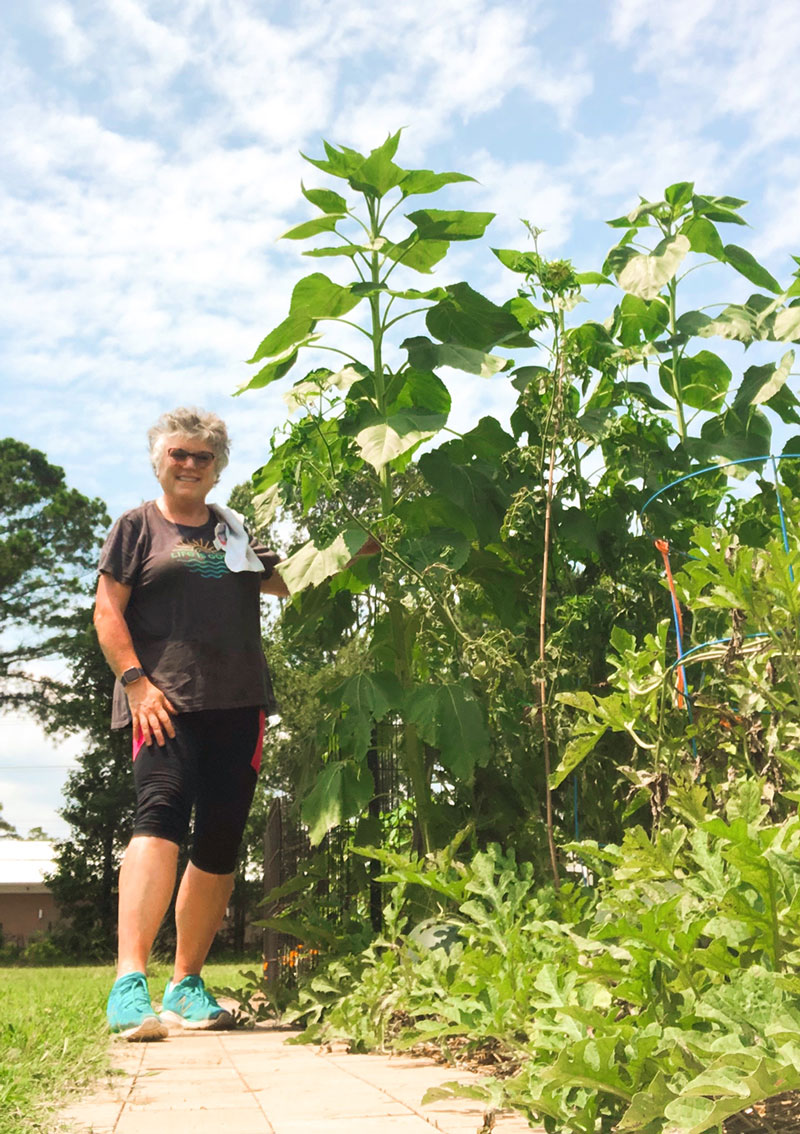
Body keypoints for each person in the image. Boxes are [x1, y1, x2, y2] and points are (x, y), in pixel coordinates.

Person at [95, 406, 292, 1040]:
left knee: (220, 841)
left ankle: (185, 983)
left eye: (201, 456)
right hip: (162, 703)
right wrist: (136, 682)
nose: (188, 464)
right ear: (160, 460)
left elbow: (287, 584)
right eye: (178, 454)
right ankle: (130, 984)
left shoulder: (234, 531)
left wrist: (352, 548)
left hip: (239, 704)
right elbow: (107, 611)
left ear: (216, 468)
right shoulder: (136, 527)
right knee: (159, 821)